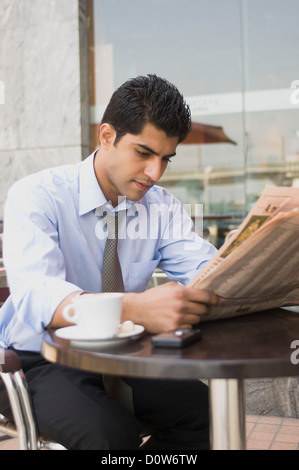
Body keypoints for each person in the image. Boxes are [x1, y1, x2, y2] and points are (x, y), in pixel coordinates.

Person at [0, 74, 218, 450]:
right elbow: (40, 298)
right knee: (111, 437)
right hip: (37, 359)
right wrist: (134, 308)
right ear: (106, 136)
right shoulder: (36, 196)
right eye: (144, 153)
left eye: (165, 158)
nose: (156, 173)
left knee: (208, 415)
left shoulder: (161, 207)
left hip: (121, 354)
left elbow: (207, 271)